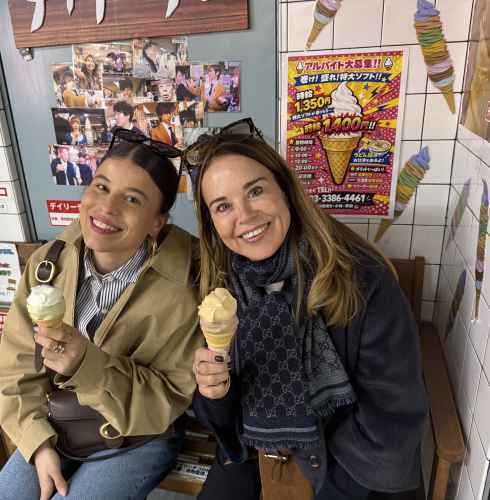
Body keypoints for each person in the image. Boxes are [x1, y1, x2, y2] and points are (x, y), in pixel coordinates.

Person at [186, 119, 428, 500]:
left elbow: (390, 424)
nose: (244, 216)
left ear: (285, 189)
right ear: (212, 223)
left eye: (255, 190)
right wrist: (215, 392)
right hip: (256, 454)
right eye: (223, 206)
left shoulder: (363, 280)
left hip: (348, 467)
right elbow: (223, 428)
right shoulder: (222, 288)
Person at [0, 129, 203, 500]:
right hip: (57, 423)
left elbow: (168, 399)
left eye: (132, 199)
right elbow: (15, 367)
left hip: (137, 436)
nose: (107, 208)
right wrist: (38, 443)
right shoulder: (48, 264)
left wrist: (86, 363)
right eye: (101, 187)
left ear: (159, 221)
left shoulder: (184, 289)